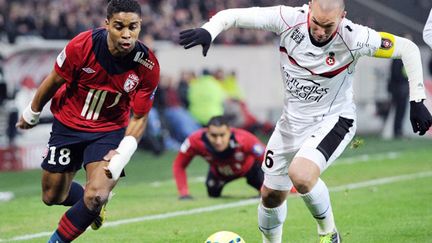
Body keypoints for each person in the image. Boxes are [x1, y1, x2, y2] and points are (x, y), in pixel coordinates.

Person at [179, 0, 432, 242]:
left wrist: (417, 99)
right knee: (270, 196)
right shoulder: (287, 19)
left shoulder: (356, 37)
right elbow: (231, 15)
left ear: (341, 18)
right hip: (290, 124)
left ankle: (329, 233)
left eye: (328, 26)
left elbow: (407, 49)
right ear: (309, 8)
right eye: (317, 23)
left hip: (334, 119)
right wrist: (209, 30)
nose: (321, 31)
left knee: (300, 174)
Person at [15, 0, 160, 242]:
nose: (126, 34)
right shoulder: (82, 46)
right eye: (119, 26)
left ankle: (68, 229)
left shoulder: (147, 65)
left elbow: (140, 116)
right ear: (107, 25)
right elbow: (53, 81)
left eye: (132, 27)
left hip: (108, 130)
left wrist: (123, 152)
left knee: (96, 195)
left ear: (140, 25)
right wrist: (32, 113)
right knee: (52, 195)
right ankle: (92, 207)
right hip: (68, 125)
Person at [172, 115, 265, 199]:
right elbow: (179, 165)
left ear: (229, 131)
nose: (218, 141)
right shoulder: (194, 141)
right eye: (213, 135)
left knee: (268, 193)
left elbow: (269, 160)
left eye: (222, 135)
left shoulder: (245, 139)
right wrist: (184, 193)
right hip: (219, 174)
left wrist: (267, 186)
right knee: (213, 194)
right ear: (207, 132)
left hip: (250, 169)